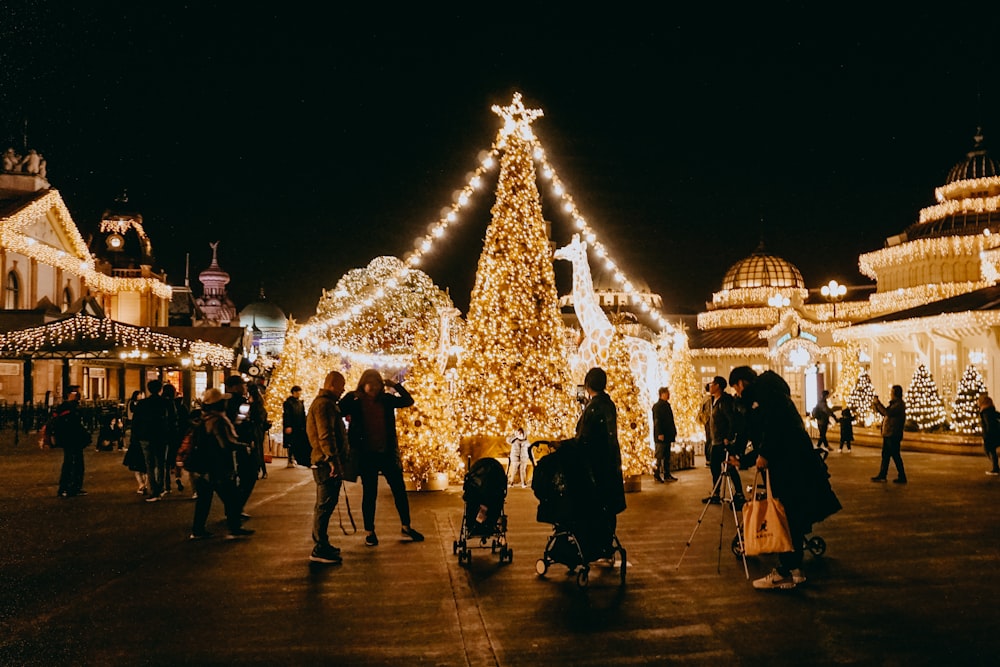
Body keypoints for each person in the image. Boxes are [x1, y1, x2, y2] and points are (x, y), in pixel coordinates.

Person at [728, 366, 842, 590]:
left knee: (786, 517)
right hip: (796, 464)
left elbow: (774, 430)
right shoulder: (772, 392)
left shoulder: (766, 395)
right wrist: (746, 460)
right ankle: (795, 570)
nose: (738, 393)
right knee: (793, 517)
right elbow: (767, 434)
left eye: (736, 387)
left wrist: (763, 454)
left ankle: (785, 571)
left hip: (790, 466)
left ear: (741, 383)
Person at [339, 369, 423, 547]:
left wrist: (394, 385)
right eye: (371, 384)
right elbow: (337, 410)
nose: (374, 388)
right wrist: (349, 396)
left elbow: (408, 401)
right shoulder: (355, 400)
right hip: (366, 455)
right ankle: (369, 532)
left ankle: (406, 526)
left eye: (378, 384)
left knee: (399, 491)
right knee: (370, 494)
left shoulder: (386, 400)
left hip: (386, 453)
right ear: (363, 383)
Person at [186, 388, 254, 540]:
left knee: (204, 500)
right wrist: (243, 446)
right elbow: (226, 443)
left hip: (203, 467)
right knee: (232, 497)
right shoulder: (218, 420)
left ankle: (198, 530)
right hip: (217, 466)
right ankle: (235, 527)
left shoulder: (205, 419)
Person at [306, 371, 350, 564]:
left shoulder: (324, 403)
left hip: (323, 462)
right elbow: (326, 434)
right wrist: (332, 460)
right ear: (332, 385)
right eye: (341, 385)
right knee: (325, 505)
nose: (343, 390)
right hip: (326, 464)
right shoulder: (325, 405)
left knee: (325, 505)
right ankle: (320, 547)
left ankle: (322, 543)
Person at [704, 376, 745, 507]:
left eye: (712, 384)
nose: (710, 386)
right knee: (715, 467)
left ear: (718, 386)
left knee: (730, 467)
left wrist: (728, 436)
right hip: (715, 440)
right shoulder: (712, 401)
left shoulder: (724, 402)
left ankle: (739, 494)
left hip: (723, 441)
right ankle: (716, 493)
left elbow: (731, 420)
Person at [130, 379, 173, 502]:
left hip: (145, 437)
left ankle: (154, 490)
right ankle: (161, 488)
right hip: (162, 437)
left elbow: (135, 422)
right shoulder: (166, 403)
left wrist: (135, 437)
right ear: (161, 389)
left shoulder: (142, 404)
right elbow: (173, 421)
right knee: (161, 464)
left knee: (149, 465)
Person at [225, 375, 258, 517]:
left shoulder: (225, 401)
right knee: (248, 476)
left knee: (237, 478)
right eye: (242, 385)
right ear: (234, 386)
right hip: (241, 443)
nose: (244, 387)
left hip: (233, 444)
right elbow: (242, 422)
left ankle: (234, 509)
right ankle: (235, 509)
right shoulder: (239, 402)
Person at [53, 386, 90, 497]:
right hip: (71, 439)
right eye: (76, 392)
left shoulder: (73, 406)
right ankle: (67, 487)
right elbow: (69, 424)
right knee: (71, 463)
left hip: (73, 440)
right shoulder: (67, 407)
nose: (79, 394)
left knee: (75, 463)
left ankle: (72, 487)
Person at [872, 385, 907, 484]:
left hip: (893, 434)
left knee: (895, 455)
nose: (890, 394)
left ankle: (902, 476)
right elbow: (884, 412)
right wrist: (876, 405)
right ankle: (883, 475)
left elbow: (888, 413)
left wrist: (878, 404)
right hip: (889, 434)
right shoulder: (894, 404)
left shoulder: (898, 405)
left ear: (896, 394)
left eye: (892, 392)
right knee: (886, 455)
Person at [652, 387, 678, 482]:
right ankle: (656, 474)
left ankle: (667, 474)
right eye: (667, 393)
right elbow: (657, 421)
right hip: (662, 436)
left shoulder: (666, 405)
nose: (669, 395)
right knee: (659, 456)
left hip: (667, 435)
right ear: (662, 394)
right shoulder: (658, 406)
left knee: (667, 456)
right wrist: (659, 433)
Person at [282, 385, 308, 468]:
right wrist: (288, 425)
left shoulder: (300, 403)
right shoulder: (288, 403)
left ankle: (296, 458)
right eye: (297, 392)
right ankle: (290, 459)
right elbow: (287, 415)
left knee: (297, 442)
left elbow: (303, 414)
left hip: (299, 426)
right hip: (292, 425)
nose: (299, 394)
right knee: (291, 443)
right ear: (293, 392)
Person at [977, 394, 1000, 476]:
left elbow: (988, 425)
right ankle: (995, 467)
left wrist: (987, 436)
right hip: (996, 433)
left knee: (989, 450)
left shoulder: (985, 412)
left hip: (990, 434)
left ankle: (995, 468)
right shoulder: (991, 410)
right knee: (991, 451)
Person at [811, 390, 834, 456]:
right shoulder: (823, 402)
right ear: (826, 395)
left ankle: (821, 445)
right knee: (822, 434)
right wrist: (831, 414)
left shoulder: (820, 402)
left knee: (822, 434)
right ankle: (822, 446)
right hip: (822, 421)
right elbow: (825, 410)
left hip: (820, 420)